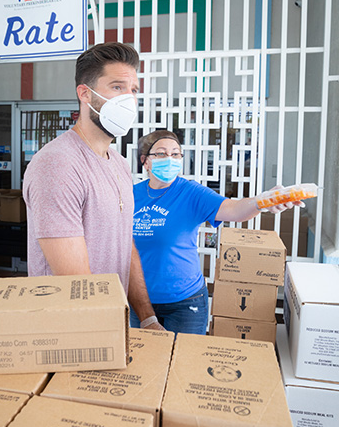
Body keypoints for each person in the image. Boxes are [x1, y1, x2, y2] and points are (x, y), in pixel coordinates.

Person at [23, 42, 163, 331]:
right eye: (117, 87)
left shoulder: (120, 163)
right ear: (85, 94)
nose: (129, 99)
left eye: (133, 90)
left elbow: (125, 245)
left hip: (110, 323)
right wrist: (110, 332)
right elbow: (75, 282)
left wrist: (147, 318)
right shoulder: (57, 164)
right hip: (71, 330)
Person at [131, 129, 305, 335]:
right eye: (161, 153)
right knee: (146, 364)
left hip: (185, 302)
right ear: (145, 161)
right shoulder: (132, 194)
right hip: (140, 301)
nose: (170, 159)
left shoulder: (190, 192)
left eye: (175, 154)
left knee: (185, 364)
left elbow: (234, 209)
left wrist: (262, 202)